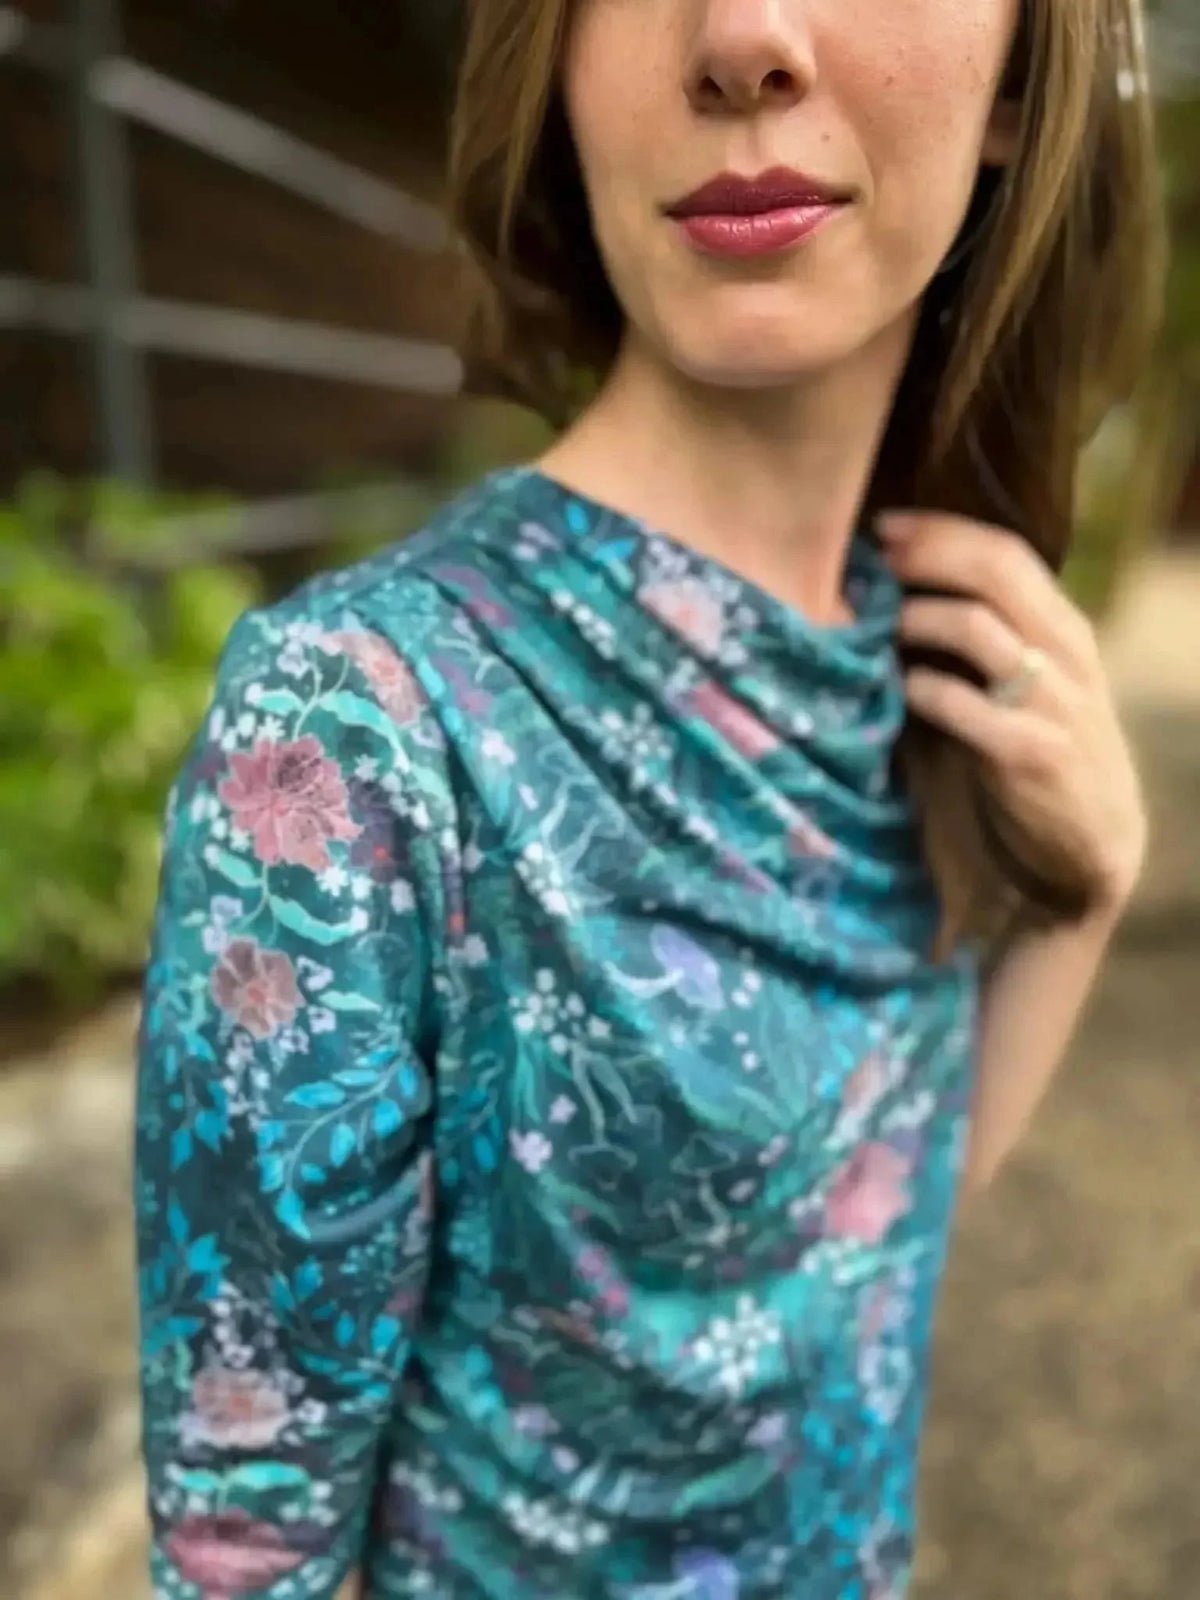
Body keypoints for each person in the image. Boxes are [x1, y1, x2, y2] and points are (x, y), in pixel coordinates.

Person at [134, 0, 1165, 1595]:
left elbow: (849, 1273)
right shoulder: (353, 729)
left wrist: (1087, 892)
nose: (744, 36)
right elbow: (239, 1542)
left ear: (1023, 85)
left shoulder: (935, 648)